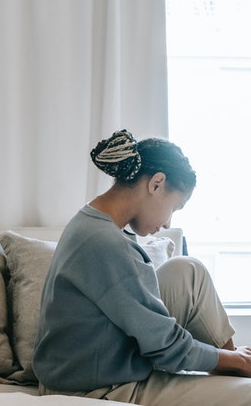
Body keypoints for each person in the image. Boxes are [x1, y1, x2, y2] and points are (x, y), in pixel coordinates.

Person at [33, 129, 251, 405]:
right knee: (245, 394)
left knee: (188, 271)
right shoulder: (106, 244)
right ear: (156, 184)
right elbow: (167, 347)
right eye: (175, 207)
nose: (169, 224)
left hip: (95, 361)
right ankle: (237, 365)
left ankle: (238, 362)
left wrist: (230, 357)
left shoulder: (91, 220)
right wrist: (229, 360)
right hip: (95, 388)